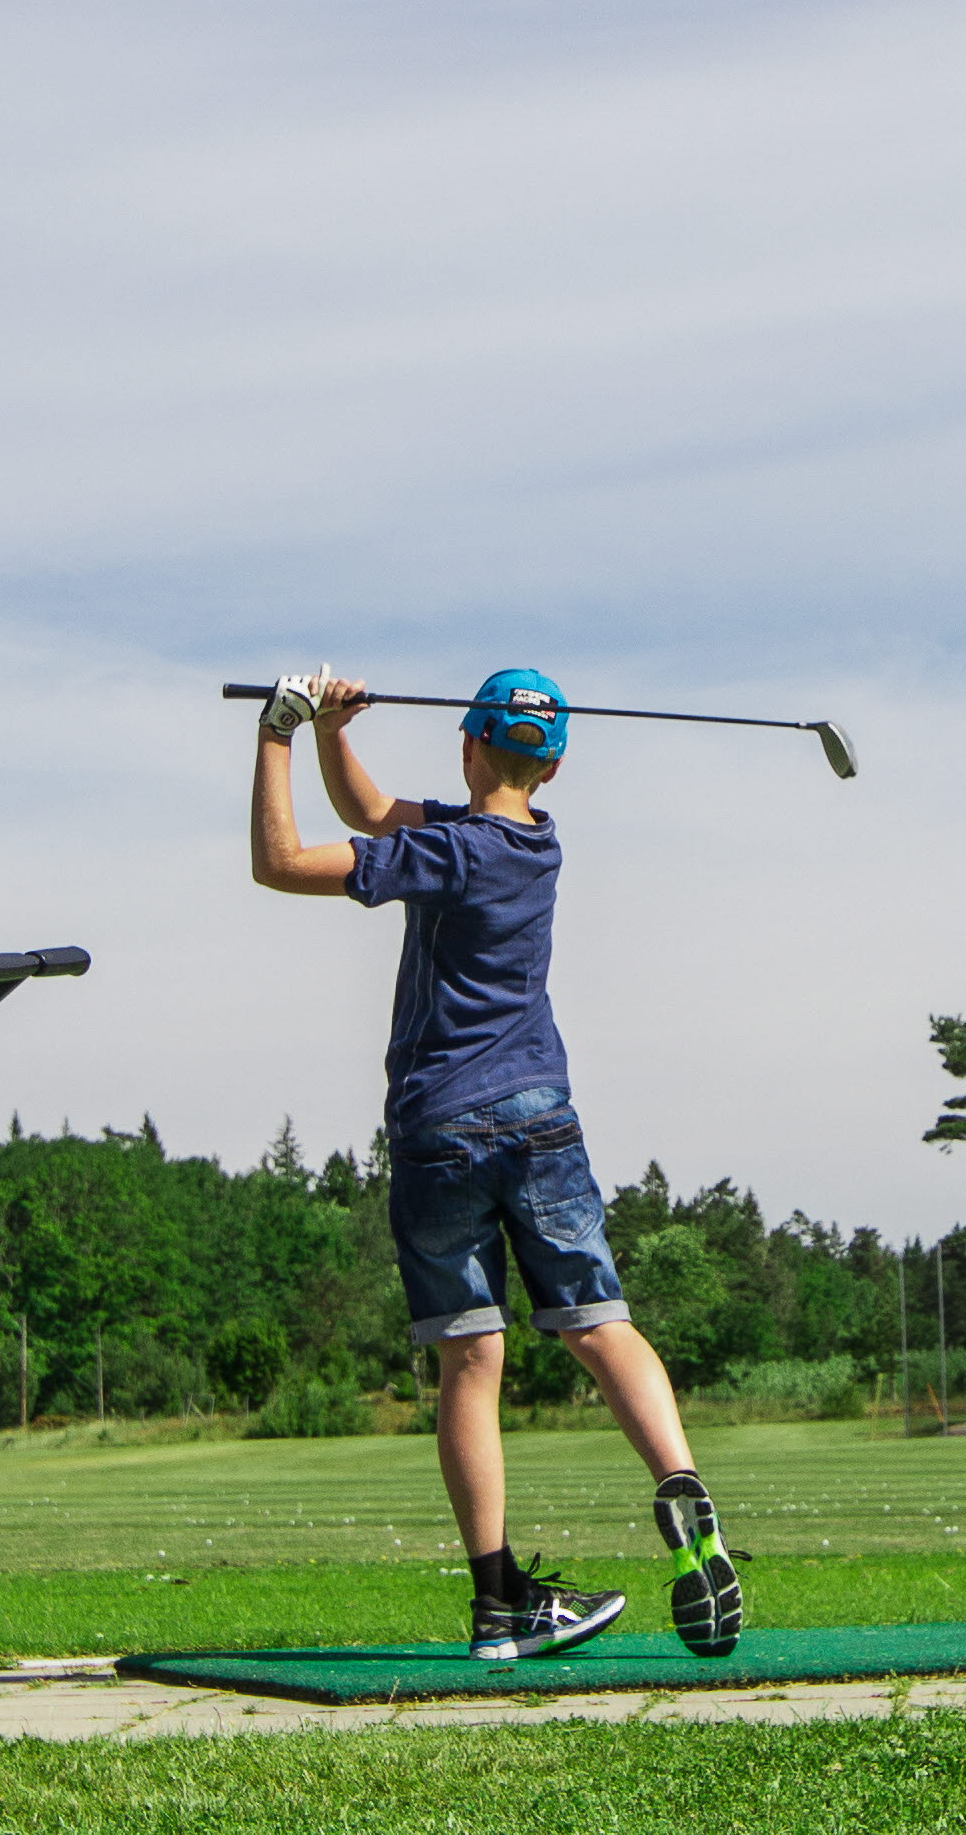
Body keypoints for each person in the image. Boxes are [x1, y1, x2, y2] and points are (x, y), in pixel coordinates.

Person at [247, 665, 745, 1660]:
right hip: (541, 1118)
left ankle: (497, 1602)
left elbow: (280, 860)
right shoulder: (534, 843)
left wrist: (276, 734)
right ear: (548, 763)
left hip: (441, 1130)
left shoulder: (448, 854)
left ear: (469, 744)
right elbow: (381, 812)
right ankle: (682, 1484)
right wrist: (337, 731)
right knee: (600, 1323)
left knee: (472, 1358)